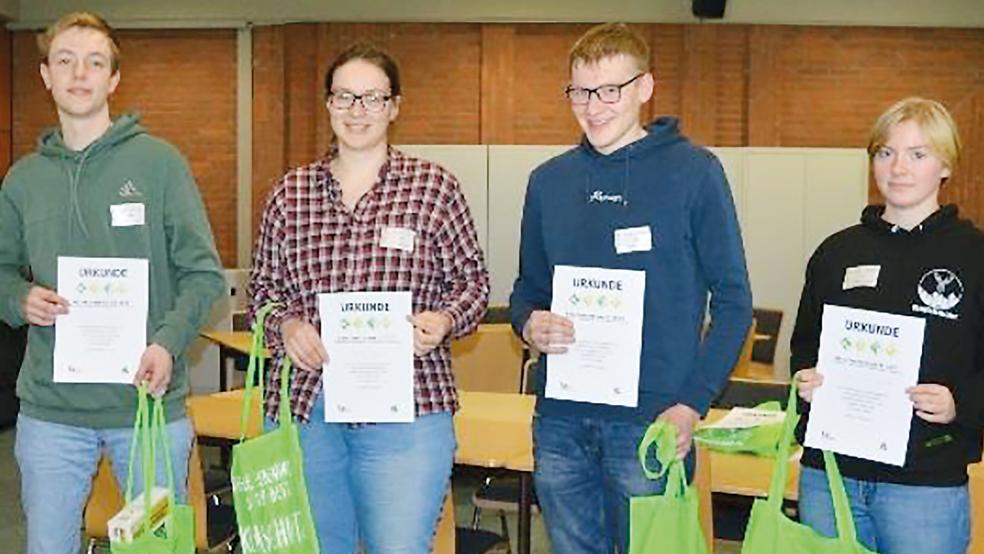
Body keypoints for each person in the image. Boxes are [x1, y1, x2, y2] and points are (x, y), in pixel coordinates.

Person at [508, 22, 752, 553]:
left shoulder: (695, 173)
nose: (593, 107)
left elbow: (734, 303)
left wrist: (693, 402)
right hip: (562, 421)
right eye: (580, 92)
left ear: (645, 88)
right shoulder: (547, 182)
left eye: (609, 91)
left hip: (653, 420)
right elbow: (527, 289)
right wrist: (530, 321)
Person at [247, 41, 489, 553]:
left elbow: (474, 284)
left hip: (409, 411)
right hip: (309, 409)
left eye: (373, 98)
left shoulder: (434, 188)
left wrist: (443, 321)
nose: (358, 111)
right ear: (328, 104)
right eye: (345, 97)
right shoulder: (289, 194)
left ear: (394, 106)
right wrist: (286, 327)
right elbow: (262, 293)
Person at [0, 11, 225, 554]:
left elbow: (203, 276)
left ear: (113, 79)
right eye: (66, 61)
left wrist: (168, 345)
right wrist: (17, 296)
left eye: (95, 62)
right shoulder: (23, 179)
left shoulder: (159, 164)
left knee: (154, 550)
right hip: (50, 415)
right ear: (45, 75)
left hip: (146, 411)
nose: (80, 74)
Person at [792, 97, 981, 554]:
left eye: (918, 154)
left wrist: (961, 403)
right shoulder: (836, 253)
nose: (899, 168)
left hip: (924, 486)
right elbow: (804, 348)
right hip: (830, 477)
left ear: (945, 165)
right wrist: (804, 380)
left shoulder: (974, 256)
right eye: (886, 153)